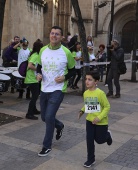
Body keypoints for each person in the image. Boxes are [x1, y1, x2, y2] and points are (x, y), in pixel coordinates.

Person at [36, 26, 75, 156]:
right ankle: (59, 125)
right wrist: (38, 75)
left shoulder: (66, 52)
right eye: (52, 33)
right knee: (44, 117)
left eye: (57, 34)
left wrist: (64, 77)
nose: (54, 36)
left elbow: (73, 70)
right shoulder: (42, 50)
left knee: (48, 116)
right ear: (49, 34)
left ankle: (46, 146)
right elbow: (39, 67)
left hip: (58, 89)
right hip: (44, 88)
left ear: (62, 37)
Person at [79, 70, 112, 168]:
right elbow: (87, 105)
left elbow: (107, 107)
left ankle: (108, 135)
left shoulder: (100, 93)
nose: (87, 82)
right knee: (89, 140)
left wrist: (99, 117)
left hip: (101, 122)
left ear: (96, 81)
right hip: (89, 121)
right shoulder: (85, 93)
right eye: (86, 79)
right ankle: (91, 159)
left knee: (99, 140)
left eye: (90, 80)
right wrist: (82, 111)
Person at [25, 40, 43, 120]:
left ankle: (34, 110)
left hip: (33, 79)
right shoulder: (35, 55)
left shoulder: (35, 54)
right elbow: (30, 65)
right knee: (35, 96)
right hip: (32, 79)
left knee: (35, 95)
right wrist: (37, 69)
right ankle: (29, 113)